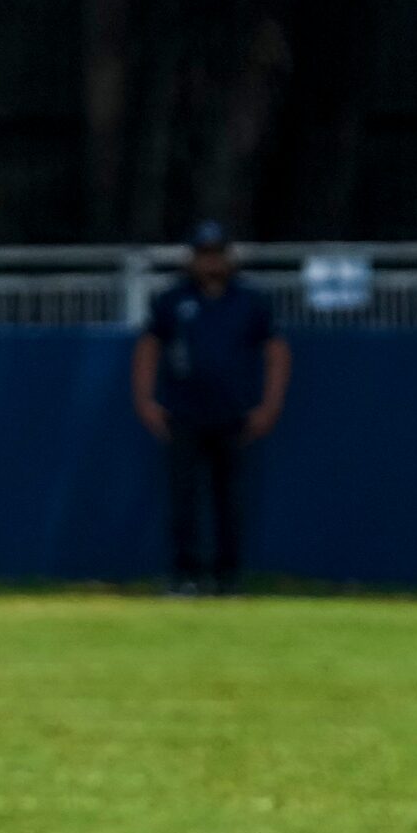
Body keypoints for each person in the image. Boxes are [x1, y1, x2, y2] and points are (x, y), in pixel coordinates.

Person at [132, 220, 289, 593]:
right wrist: (145, 400)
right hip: (184, 413)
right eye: (204, 254)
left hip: (233, 414)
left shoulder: (248, 301)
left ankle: (227, 576)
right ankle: (186, 574)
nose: (211, 262)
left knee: (230, 500)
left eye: (217, 253)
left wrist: (270, 405)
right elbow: (150, 346)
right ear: (193, 258)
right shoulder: (174, 300)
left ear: (228, 257)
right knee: (184, 500)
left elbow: (276, 350)